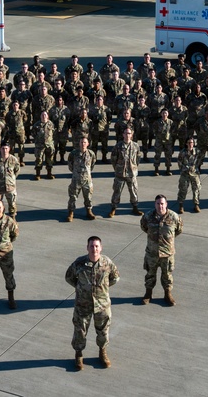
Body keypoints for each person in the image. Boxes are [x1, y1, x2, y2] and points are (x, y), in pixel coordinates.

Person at [65, 236, 119, 370]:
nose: (94, 249)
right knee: (80, 331)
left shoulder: (107, 263)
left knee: (103, 330)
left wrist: (102, 291)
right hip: (83, 304)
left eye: (96, 246)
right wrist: (81, 289)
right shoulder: (79, 263)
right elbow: (69, 277)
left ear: (101, 248)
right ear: (87, 248)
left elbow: (115, 278)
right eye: (91, 246)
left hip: (102, 305)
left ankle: (102, 352)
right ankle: (78, 355)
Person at [140, 194, 183, 305]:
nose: (160, 206)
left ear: (166, 204)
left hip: (167, 254)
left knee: (167, 276)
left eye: (162, 204)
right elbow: (144, 227)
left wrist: (167, 241)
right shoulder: (148, 216)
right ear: (155, 204)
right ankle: (148, 294)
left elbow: (178, 230)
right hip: (152, 253)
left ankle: (167, 294)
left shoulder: (174, 217)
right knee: (150, 274)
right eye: (158, 204)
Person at [109, 127, 140, 217]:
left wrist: (134, 167)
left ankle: (135, 208)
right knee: (117, 191)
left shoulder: (135, 146)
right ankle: (113, 208)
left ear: (132, 135)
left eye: (129, 133)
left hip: (131, 173)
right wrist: (117, 168)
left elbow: (138, 159)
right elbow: (113, 159)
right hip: (120, 173)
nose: (127, 135)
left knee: (133, 191)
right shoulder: (118, 146)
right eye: (126, 133)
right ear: (123, 135)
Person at [67, 136, 97, 221]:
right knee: (73, 197)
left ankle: (89, 211)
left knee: (88, 197)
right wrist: (76, 173)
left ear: (88, 144)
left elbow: (92, 165)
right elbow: (70, 165)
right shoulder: (73, 153)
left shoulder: (91, 154)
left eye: (84, 142)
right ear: (79, 143)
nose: (83, 144)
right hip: (76, 179)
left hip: (87, 180)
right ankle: (71, 213)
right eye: (81, 142)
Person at [175, 137, 201, 213]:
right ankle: (181, 205)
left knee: (196, 189)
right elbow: (179, 163)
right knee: (183, 189)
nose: (190, 144)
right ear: (186, 143)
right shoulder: (182, 153)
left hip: (194, 173)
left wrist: (195, 169)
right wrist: (186, 168)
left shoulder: (197, 152)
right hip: (185, 173)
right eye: (189, 143)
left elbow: (199, 161)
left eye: (192, 143)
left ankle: (196, 204)